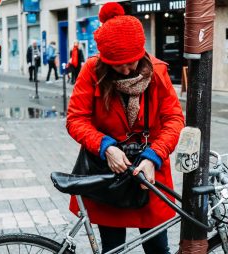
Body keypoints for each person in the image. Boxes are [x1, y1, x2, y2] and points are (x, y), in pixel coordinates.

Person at [66, 2, 185, 253]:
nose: (127, 69)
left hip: (148, 172)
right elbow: (76, 119)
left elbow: (174, 119)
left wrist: (154, 156)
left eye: (131, 62)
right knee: (112, 248)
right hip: (108, 173)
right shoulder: (91, 70)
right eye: (118, 65)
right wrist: (105, 146)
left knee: (158, 248)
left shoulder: (157, 72)